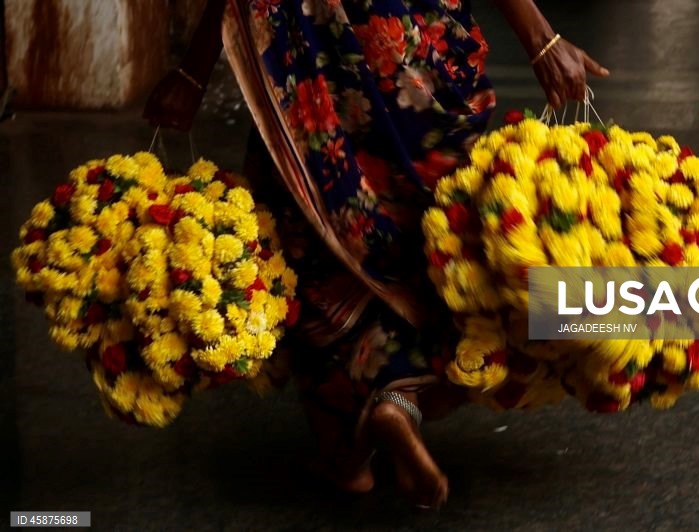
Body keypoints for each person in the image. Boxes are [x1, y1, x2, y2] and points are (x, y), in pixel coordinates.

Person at [144, 0, 608, 508]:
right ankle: (398, 401)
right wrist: (542, 40)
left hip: (310, 54)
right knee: (450, 249)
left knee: (311, 244)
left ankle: (353, 450)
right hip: (414, 53)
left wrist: (192, 72)